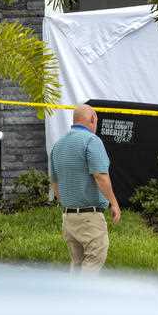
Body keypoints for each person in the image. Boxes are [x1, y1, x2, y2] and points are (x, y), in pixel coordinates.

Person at [50, 104, 121, 273]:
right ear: (92, 119)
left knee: (77, 263)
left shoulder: (58, 145)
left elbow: (54, 182)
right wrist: (114, 203)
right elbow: (100, 176)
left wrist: (65, 203)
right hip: (89, 217)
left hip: (68, 217)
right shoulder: (91, 141)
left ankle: (72, 297)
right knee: (95, 258)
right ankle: (84, 298)